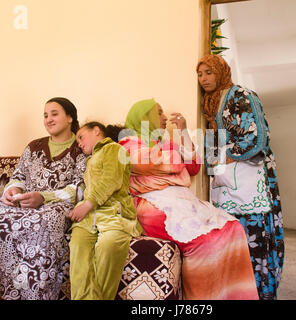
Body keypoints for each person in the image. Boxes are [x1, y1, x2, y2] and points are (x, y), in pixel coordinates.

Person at [118, 98, 258, 300]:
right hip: (152, 204)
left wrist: (183, 132)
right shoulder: (127, 143)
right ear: (143, 117)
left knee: (233, 229)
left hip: (180, 201)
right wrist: (175, 155)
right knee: (205, 241)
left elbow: (193, 166)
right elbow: (155, 163)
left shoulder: (164, 144)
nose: (164, 117)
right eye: (158, 112)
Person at [196, 54, 284, 300]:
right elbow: (211, 147)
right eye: (199, 74)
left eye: (208, 72)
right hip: (228, 185)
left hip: (250, 181)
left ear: (221, 71)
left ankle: (258, 294)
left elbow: (257, 138)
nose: (203, 79)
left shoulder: (240, 95)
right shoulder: (210, 104)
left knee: (253, 244)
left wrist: (225, 157)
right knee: (232, 244)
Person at [0, 97, 87, 300]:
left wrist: (43, 198)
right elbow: (18, 176)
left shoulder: (81, 147)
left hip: (56, 207)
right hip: (25, 203)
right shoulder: (34, 146)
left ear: (69, 117)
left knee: (43, 222)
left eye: (54, 114)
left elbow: (80, 188)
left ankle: (37, 293)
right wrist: (12, 190)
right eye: (45, 115)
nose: (48, 119)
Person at [68, 122, 142, 300]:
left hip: (113, 214)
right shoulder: (90, 160)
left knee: (108, 246)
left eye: (81, 137)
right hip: (88, 218)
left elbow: (112, 180)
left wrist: (88, 204)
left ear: (96, 131)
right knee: (77, 247)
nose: (78, 143)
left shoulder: (114, 149)